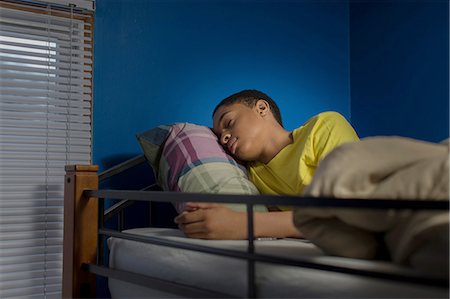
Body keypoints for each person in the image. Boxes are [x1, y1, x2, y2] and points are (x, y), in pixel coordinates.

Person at [174, 89, 359, 240]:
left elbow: (348, 215)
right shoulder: (252, 175)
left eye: (229, 122)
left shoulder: (322, 127)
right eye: (220, 136)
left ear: (261, 108)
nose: (224, 138)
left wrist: (242, 223)